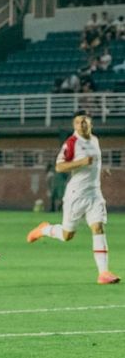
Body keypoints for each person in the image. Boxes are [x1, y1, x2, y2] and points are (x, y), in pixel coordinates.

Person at [27, 111, 120, 285]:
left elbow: (93, 164)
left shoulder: (94, 140)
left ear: (91, 124)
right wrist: (81, 162)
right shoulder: (71, 142)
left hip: (94, 194)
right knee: (67, 235)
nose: (81, 125)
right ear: (74, 125)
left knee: (98, 227)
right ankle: (44, 230)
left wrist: (100, 170)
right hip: (76, 195)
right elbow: (59, 166)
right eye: (78, 123)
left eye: (84, 122)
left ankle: (104, 273)